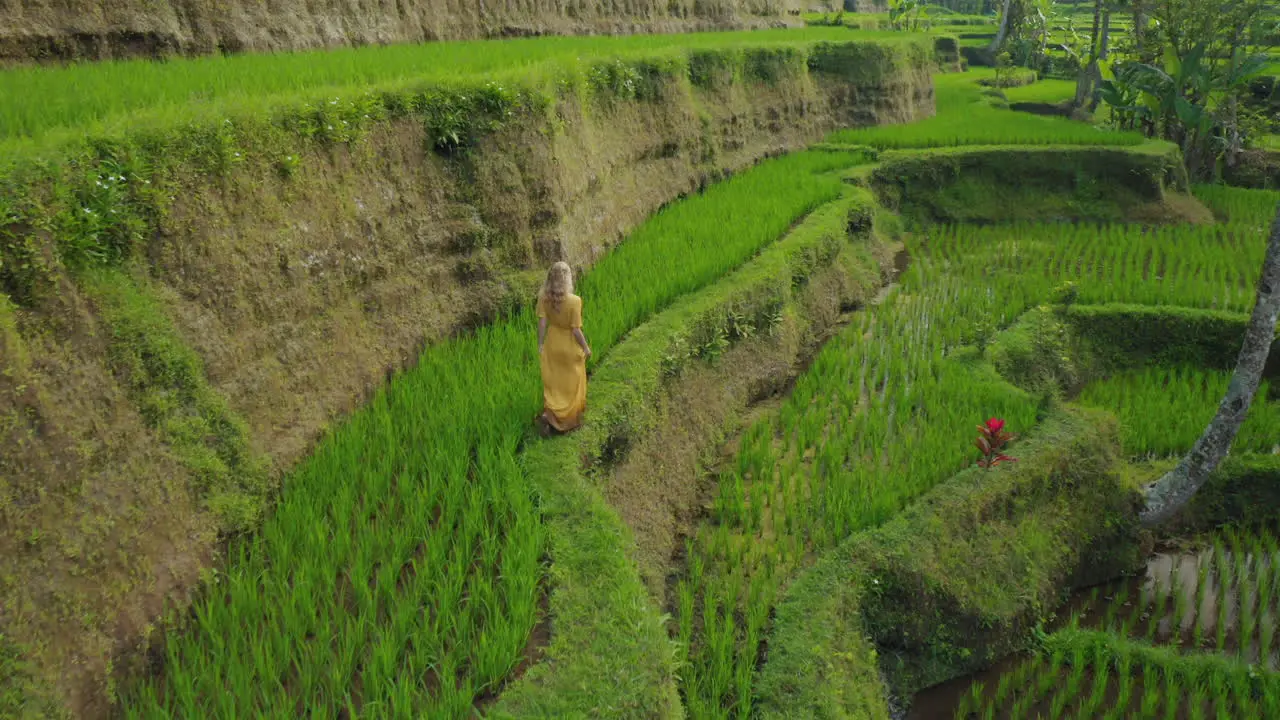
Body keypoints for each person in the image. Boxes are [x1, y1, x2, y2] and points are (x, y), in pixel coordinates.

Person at [536, 261, 591, 434]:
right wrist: (586, 347)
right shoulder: (575, 301)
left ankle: (550, 415)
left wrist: (540, 343)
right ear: (567, 279)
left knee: (555, 382)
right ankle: (568, 419)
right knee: (571, 381)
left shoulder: (544, 297)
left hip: (552, 342)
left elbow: (542, 323)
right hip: (568, 345)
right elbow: (575, 330)